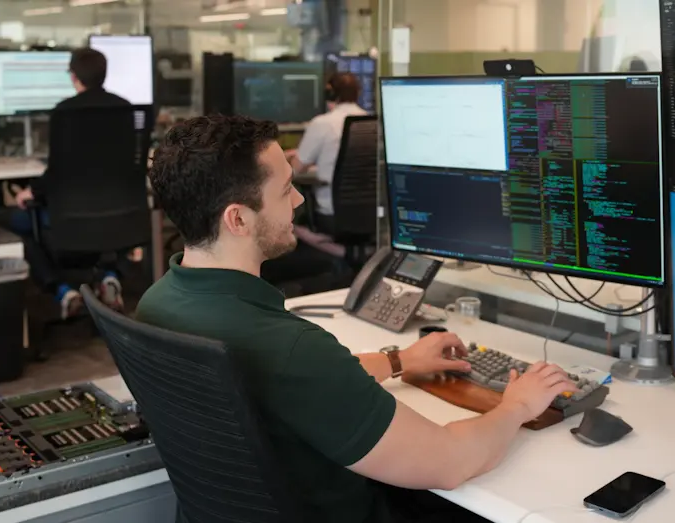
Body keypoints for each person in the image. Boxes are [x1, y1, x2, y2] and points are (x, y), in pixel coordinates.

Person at [139, 114, 578, 523]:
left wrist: (398, 361)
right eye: (286, 189)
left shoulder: (158, 304)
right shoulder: (290, 347)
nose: (299, 199)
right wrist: (518, 404)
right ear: (237, 218)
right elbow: (451, 462)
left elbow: (280, 386)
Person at [10, 48, 131, 319]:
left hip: (70, 219)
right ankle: (110, 277)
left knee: (18, 222)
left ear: (74, 77)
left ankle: (62, 290)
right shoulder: (125, 108)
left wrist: (32, 191)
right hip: (116, 214)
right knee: (119, 221)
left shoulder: (64, 112)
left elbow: (57, 173)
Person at [287, 72, 368, 233]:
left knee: (294, 225)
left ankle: (334, 249)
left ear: (331, 94)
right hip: (368, 212)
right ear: (358, 94)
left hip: (331, 211)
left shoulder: (322, 123)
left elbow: (296, 169)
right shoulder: (370, 121)